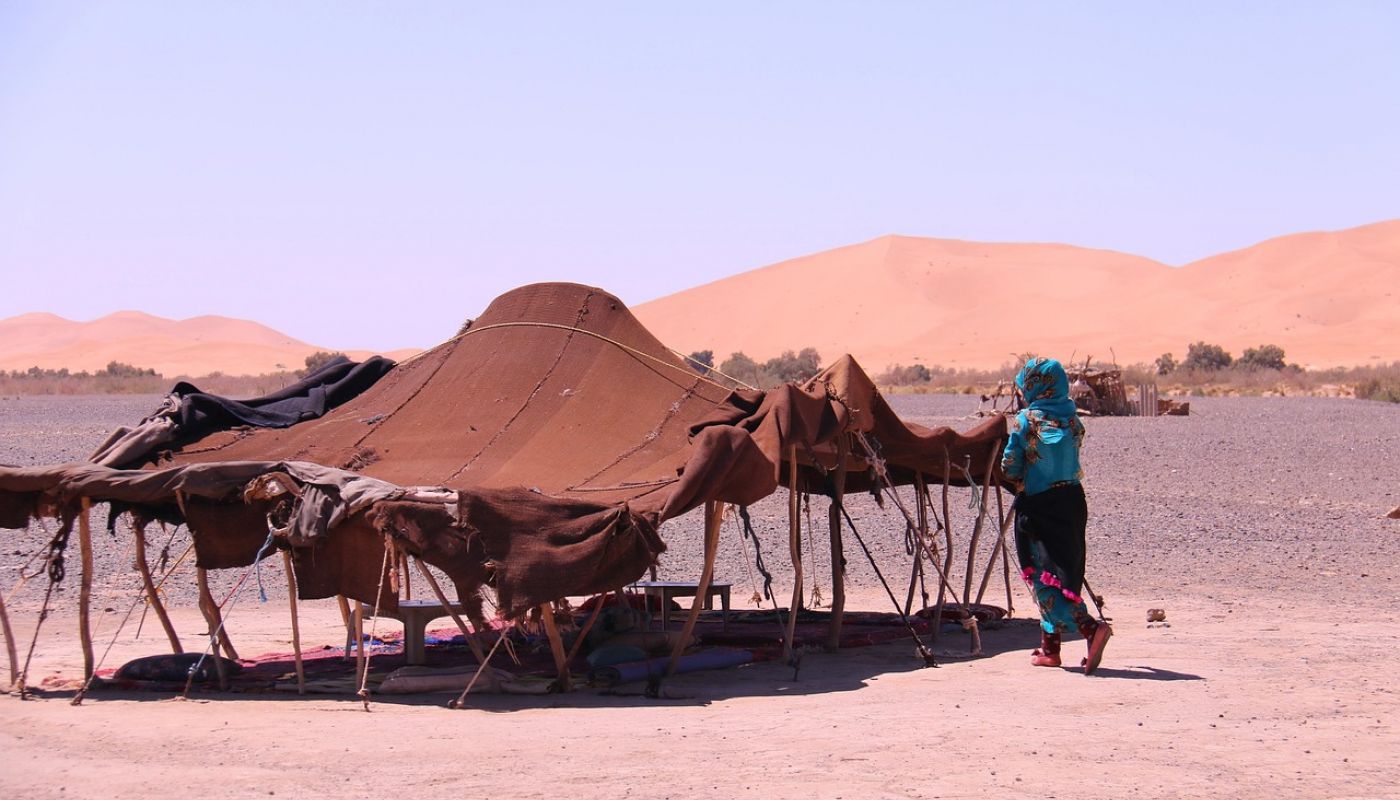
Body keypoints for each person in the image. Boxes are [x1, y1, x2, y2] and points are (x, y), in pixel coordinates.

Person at [1001, 357, 1111, 674]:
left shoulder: (1026, 421)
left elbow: (1010, 467)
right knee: (1062, 570)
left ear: (1034, 386)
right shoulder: (1073, 420)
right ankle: (1050, 649)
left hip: (1039, 505)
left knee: (1041, 572)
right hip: (1073, 502)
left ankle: (1090, 628)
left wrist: (1021, 475)